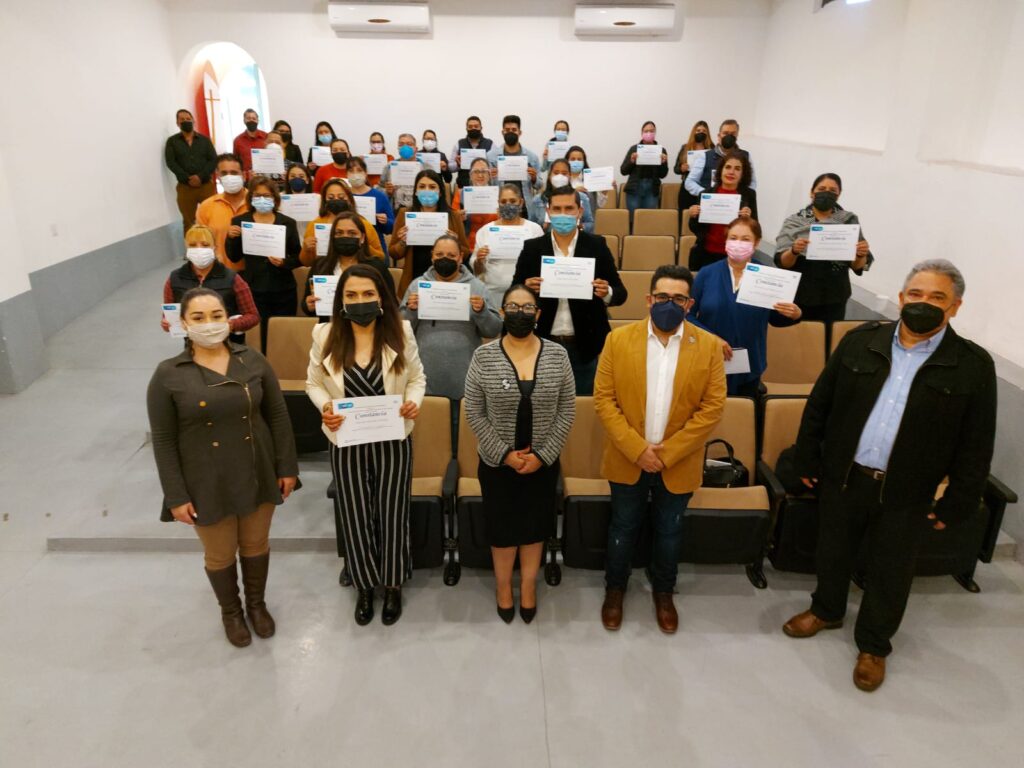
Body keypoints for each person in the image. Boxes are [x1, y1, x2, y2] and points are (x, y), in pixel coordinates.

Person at [782, 259, 996, 693]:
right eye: (915, 294)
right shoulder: (861, 342)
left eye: (937, 297)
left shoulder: (972, 365)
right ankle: (826, 610)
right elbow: (820, 405)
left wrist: (959, 500)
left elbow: (976, 442)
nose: (923, 303)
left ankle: (874, 644)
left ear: (955, 306)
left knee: (891, 569)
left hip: (908, 489)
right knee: (833, 550)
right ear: (901, 298)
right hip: (847, 476)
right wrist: (806, 459)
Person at [147, 287, 299, 647]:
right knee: (219, 552)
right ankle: (231, 612)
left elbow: (278, 415)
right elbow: (164, 440)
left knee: (256, 542)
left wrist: (286, 467)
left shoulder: (253, 360)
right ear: (184, 324)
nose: (209, 324)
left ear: (229, 319)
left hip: (256, 467)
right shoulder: (168, 374)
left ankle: (257, 605)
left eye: (216, 316)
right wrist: (176, 495)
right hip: (205, 478)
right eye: (198, 317)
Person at [594, 265, 727, 634]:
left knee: (670, 530)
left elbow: (712, 408)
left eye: (679, 299)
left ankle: (664, 591)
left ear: (690, 304)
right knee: (623, 526)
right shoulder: (618, 340)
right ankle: (615, 589)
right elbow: (604, 400)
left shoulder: (709, 346)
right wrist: (638, 449)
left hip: (678, 461)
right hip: (628, 456)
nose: (670, 303)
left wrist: (667, 453)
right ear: (649, 300)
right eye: (663, 297)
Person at [305, 264, 427, 626]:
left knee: (392, 511)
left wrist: (413, 403)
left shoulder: (400, 331)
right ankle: (364, 584)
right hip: (346, 440)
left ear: (381, 297)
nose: (360, 301)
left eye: (368, 294)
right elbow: (313, 383)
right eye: (352, 295)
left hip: (393, 439)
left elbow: (417, 378)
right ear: (341, 300)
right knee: (355, 513)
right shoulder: (325, 334)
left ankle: (392, 584)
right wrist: (325, 408)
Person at [463, 284, 576, 623]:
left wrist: (543, 455)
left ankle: (527, 586)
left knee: (534, 527)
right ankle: (502, 587)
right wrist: (505, 455)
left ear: (538, 314)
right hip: (497, 464)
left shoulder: (558, 355)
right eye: (513, 306)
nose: (520, 313)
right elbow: (474, 411)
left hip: (542, 464)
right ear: (502, 312)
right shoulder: (484, 356)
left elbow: (567, 409)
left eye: (528, 308)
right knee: (502, 530)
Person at [512, 186, 627, 395]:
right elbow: (513, 291)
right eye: (557, 209)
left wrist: (607, 292)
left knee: (581, 405)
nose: (563, 214)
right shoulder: (532, 248)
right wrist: (526, 289)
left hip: (584, 344)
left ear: (580, 211)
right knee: (542, 404)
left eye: (569, 208)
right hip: (541, 342)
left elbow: (621, 293)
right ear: (548, 211)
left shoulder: (596, 245)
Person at [690, 218, 802, 397]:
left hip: (750, 363)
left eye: (745, 239)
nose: (738, 243)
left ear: (756, 243)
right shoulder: (707, 273)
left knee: (743, 410)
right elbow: (687, 315)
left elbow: (775, 318)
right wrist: (712, 339)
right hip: (710, 359)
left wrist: (794, 314)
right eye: (733, 238)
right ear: (726, 241)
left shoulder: (768, 276)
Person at [400, 234, 502, 402]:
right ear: (432, 256)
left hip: (465, 375)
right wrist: (411, 310)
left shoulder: (477, 287)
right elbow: (401, 329)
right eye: (439, 255)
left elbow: (493, 330)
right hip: (424, 375)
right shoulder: (417, 285)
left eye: (451, 255)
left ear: (460, 257)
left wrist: (481, 311)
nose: (444, 259)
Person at [773, 172, 874, 326]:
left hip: (835, 297)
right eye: (822, 189)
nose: (827, 193)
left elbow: (857, 266)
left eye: (833, 190)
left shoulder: (848, 220)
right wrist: (794, 251)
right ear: (812, 192)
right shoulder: (794, 221)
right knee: (799, 336)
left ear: (839, 195)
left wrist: (861, 254)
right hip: (800, 295)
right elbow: (782, 262)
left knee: (828, 338)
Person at [225, 176, 302, 350]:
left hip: (284, 289)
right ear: (251, 197)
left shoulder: (288, 223)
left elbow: (298, 257)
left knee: (283, 335)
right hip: (254, 288)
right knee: (258, 335)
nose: (262, 199)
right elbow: (234, 257)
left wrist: (284, 262)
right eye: (257, 195)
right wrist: (230, 238)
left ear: (274, 198)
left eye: (266, 195)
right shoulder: (240, 221)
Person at [161, 225, 259, 344]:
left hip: (230, 344)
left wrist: (232, 324)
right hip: (193, 345)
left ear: (214, 248)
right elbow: (167, 317)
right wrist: (166, 324)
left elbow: (253, 316)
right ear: (187, 249)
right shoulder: (174, 279)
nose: (199, 249)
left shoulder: (233, 278)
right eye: (193, 245)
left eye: (205, 245)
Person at [391, 169, 471, 295]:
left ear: (440, 192)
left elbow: (465, 253)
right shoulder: (405, 214)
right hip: (414, 277)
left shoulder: (453, 216)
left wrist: (456, 243)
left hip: (447, 278)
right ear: (416, 191)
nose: (427, 190)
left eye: (432, 187)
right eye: (422, 187)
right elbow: (394, 254)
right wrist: (402, 241)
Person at [302, 213, 392, 318]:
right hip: (330, 324)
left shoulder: (377, 267)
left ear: (362, 238)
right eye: (339, 233)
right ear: (332, 237)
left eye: (352, 233)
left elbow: (391, 304)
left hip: (370, 324)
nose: (345, 237)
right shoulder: (320, 265)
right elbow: (306, 304)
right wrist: (308, 306)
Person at [471, 184, 544, 308]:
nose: (508, 205)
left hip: (525, 295)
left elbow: (540, 265)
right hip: (493, 294)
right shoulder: (485, 231)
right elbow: (477, 270)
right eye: (503, 201)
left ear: (521, 202)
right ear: (498, 203)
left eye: (513, 201)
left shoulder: (534, 229)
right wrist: (479, 260)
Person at [686, 151, 758, 271]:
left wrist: (749, 219)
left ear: (743, 174)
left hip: (735, 256)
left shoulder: (749, 195)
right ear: (721, 170)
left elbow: (756, 229)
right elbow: (695, 228)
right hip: (707, 254)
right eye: (728, 167)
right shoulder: (706, 193)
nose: (731, 172)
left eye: (737, 169)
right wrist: (693, 215)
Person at [300, 179, 386, 267]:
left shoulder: (363, 224)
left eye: (341, 197)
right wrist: (306, 249)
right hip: (326, 270)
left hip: (359, 270)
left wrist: (364, 245)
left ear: (349, 199)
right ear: (324, 200)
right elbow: (306, 263)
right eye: (331, 198)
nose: (336, 200)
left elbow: (380, 257)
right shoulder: (315, 224)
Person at [165, 108, 217, 230]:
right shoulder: (172, 142)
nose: (185, 121)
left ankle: (214, 242)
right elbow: (171, 162)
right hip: (185, 187)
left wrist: (200, 177)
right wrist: (187, 178)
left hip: (205, 185)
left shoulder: (205, 140)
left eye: (188, 118)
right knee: (188, 222)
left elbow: (213, 160)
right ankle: (191, 243)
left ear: (193, 121)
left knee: (212, 217)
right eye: (182, 119)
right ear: (177, 123)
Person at [196, 153, 249, 266]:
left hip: (253, 272)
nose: (229, 177)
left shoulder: (256, 202)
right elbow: (201, 241)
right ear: (218, 176)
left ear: (244, 175)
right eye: (224, 173)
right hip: (221, 271)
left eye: (234, 173)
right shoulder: (206, 206)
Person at [684, 118, 757, 199]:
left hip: (736, 203)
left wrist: (740, 196)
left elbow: (752, 183)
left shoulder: (746, 156)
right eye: (725, 133)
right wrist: (706, 193)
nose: (729, 136)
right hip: (710, 203)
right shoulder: (705, 156)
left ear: (737, 135)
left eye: (733, 134)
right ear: (719, 136)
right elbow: (689, 182)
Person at [486, 115, 542, 209]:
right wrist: (489, 177)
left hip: (524, 207)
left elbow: (539, 185)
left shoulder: (532, 157)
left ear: (520, 132)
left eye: (514, 130)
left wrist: (534, 178)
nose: (510, 132)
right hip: (500, 207)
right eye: (507, 130)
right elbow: (486, 186)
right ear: (502, 132)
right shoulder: (490, 156)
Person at [528, 158, 595, 235]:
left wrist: (580, 226)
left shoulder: (582, 197)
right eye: (556, 173)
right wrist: (542, 228)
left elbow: (590, 224)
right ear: (549, 175)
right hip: (546, 240)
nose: (560, 176)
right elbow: (531, 227)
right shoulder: (538, 200)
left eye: (564, 173)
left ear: (569, 176)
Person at [619, 120, 669, 220]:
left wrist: (663, 163)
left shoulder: (661, 150)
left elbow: (663, 175)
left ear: (655, 133)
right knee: (633, 219)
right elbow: (623, 171)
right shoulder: (634, 149)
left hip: (652, 189)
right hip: (635, 188)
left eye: (651, 131)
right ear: (642, 133)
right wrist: (632, 161)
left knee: (648, 219)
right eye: (646, 131)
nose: (649, 133)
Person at [346, 156, 394, 249]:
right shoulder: (344, 196)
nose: (355, 174)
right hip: (349, 247)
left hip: (375, 247)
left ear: (365, 173)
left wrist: (385, 221)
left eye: (359, 170)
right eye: (351, 171)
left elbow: (391, 228)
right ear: (346, 174)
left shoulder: (380, 196)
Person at [451, 157, 499, 250]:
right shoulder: (461, 194)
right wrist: (459, 218)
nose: (480, 175)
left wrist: (501, 216)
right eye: (476, 171)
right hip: (467, 242)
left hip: (492, 240)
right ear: (470, 175)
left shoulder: (498, 194)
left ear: (489, 175)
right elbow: (453, 219)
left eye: (484, 171)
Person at [673, 120, 714, 211]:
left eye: (704, 131)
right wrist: (681, 168)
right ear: (694, 132)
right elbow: (676, 169)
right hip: (687, 187)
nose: (701, 133)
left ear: (707, 133)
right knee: (684, 213)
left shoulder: (712, 148)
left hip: (705, 187)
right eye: (698, 130)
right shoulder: (685, 147)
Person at [382, 133, 422, 212]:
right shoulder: (389, 167)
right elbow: (379, 188)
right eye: (401, 144)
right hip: (395, 211)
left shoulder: (426, 167)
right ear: (398, 148)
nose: (405, 147)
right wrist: (387, 191)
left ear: (416, 148)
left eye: (409, 144)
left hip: (419, 210)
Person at [566, 145, 613, 212]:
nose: (576, 162)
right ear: (567, 161)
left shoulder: (590, 178)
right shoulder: (562, 179)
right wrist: (573, 192)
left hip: (588, 217)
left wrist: (605, 190)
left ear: (584, 161)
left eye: (579, 159)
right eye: (573, 159)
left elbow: (599, 204)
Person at [451, 115, 494, 188]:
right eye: (470, 127)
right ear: (466, 128)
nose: (473, 128)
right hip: (464, 186)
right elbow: (450, 167)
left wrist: (486, 165)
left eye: (476, 126)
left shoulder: (490, 144)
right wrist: (458, 165)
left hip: (484, 187)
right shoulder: (459, 143)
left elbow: (495, 165)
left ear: (481, 128)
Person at [232, 108, 267, 175]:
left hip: (265, 176)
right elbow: (235, 161)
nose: (251, 120)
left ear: (258, 121)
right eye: (248, 118)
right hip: (246, 177)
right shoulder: (237, 140)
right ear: (244, 121)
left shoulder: (266, 137)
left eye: (254, 118)